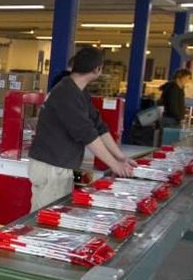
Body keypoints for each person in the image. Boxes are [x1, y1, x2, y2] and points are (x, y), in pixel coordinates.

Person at [28, 47, 135, 211]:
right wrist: (114, 165)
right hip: (51, 167)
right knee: (46, 220)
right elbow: (87, 134)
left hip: (60, 166)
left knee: (54, 216)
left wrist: (120, 158)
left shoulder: (78, 91)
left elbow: (98, 126)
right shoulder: (65, 93)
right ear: (97, 69)